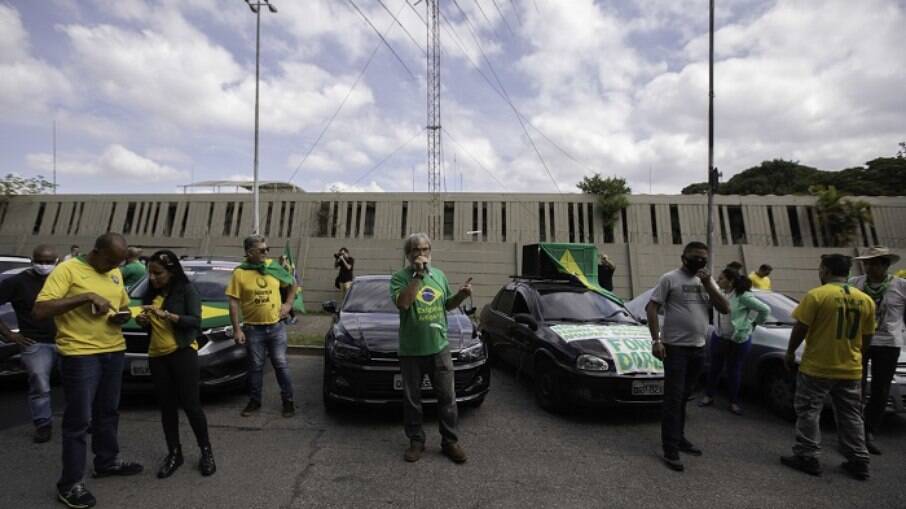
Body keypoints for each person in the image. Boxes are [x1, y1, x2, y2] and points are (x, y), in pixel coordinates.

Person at [33, 233, 142, 509]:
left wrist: (124, 315)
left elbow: (122, 306)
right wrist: (84, 297)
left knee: (108, 411)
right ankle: (69, 484)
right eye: (110, 261)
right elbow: (41, 310)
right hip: (80, 355)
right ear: (96, 251)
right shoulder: (67, 270)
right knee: (79, 420)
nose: (113, 267)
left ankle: (106, 462)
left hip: (113, 349)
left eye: (118, 262)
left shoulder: (115, 272)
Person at [780, 254, 875, 481]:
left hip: (817, 367)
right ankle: (859, 459)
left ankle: (807, 455)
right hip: (851, 368)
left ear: (825, 270)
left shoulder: (817, 295)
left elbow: (801, 328)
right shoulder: (866, 300)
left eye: (820, 268)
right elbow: (867, 336)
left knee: (809, 411)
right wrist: (858, 358)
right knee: (851, 414)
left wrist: (791, 352)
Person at [646, 241, 730, 472]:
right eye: (694, 257)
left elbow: (725, 308)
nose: (699, 261)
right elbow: (651, 308)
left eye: (703, 257)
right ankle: (670, 447)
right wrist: (656, 340)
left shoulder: (707, 281)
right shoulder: (670, 278)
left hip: (699, 348)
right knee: (673, 398)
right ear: (684, 257)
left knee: (684, 397)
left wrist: (708, 284)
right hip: (675, 348)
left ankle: (680, 438)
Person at [391, 233, 472, 464]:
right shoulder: (399, 278)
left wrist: (461, 296)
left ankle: (450, 442)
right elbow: (404, 303)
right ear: (408, 254)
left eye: (425, 249)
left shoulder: (439, 275)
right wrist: (417, 275)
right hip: (411, 352)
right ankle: (416, 441)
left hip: (439, 348)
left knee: (447, 398)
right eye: (416, 250)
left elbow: (446, 305)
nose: (421, 253)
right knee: (412, 400)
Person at [135, 250, 215, 479]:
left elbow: (195, 322)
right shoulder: (150, 295)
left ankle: (206, 452)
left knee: (191, 405)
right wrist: (144, 321)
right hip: (157, 356)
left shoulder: (186, 291)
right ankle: (174, 453)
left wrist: (168, 315)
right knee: (167, 408)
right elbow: (151, 327)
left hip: (182, 352)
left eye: (157, 273)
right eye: (150, 273)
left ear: (171, 272)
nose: (153, 278)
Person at [228, 235, 298, 418]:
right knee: (256, 367)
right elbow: (234, 302)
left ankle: (288, 401)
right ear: (250, 252)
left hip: (276, 327)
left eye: (267, 249)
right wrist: (237, 329)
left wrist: (288, 304)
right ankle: (254, 401)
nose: (266, 253)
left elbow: (293, 284)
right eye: (262, 250)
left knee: (281, 365)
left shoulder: (272, 267)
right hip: (253, 329)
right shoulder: (240, 273)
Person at [0, 245, 59, 443]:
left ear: (56, 261)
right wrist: (10, 335)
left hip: (67, 340)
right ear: (33, 260)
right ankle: (43, 423)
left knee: (78, 383)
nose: (44, 265)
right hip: (35, 342)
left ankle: (82, 421)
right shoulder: (18, 282)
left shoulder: (63, 279)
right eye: (40, 261)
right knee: (40, 385)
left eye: (48, 262)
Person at [849, 247, 905, 455]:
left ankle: (869, 431)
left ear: (885, 264)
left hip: (887, 343)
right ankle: (853, 431)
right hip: (859, 340)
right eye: (867, 263)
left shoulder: (900, 286)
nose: (869, 267)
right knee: (856, 386)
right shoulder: (855, 283)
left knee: (880, 389)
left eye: (874, 263)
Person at [700, 269, 770, 415]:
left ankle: (733, 402)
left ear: (731, 281)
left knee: (734, 370)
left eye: (721, 279)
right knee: (714, 368)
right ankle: (708, 396)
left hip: (737, 339)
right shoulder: (720, 293)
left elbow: (765, 309)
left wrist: (753, 323)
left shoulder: (743, 296)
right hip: (719, 336)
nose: (718, 281)